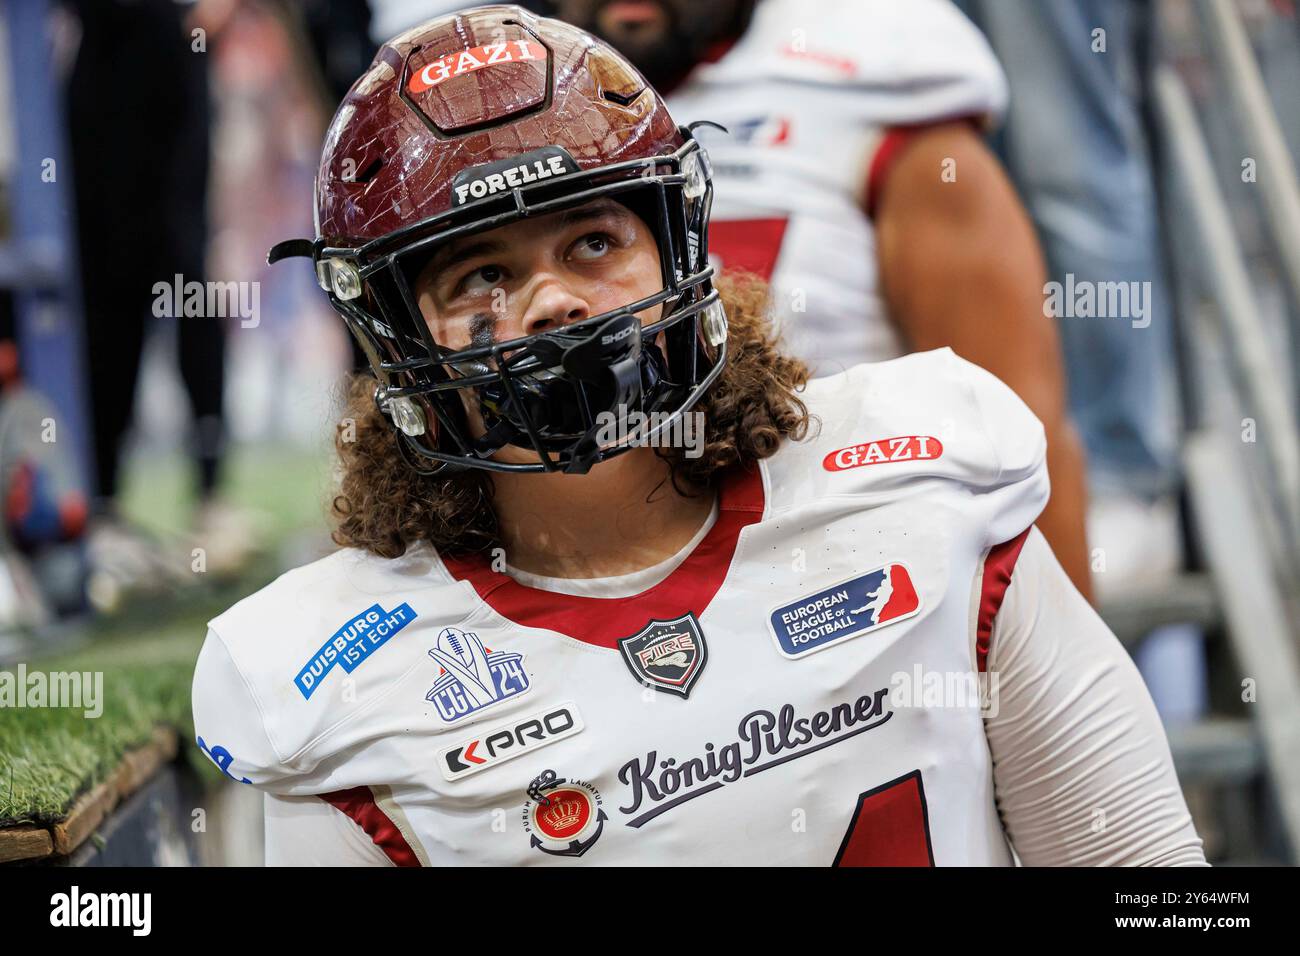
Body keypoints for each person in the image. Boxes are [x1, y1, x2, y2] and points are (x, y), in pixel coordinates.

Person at [191, 6, 1204, 866]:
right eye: (481, 276)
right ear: (395, 337)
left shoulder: (929, 490)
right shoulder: (337, 688)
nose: (550, 301)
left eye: (592, 240)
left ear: (681, 246)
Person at [552, 0, 1094, 600]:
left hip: (851, 596)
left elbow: (1018, 435)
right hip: (594, 595)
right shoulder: (491, 121)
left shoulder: (872, 85)